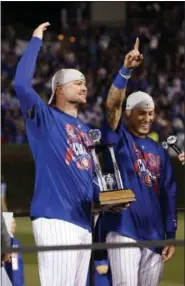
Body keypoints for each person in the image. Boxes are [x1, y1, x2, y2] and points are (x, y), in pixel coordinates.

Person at [14, 22, 98, 286]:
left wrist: (106, 200)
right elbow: (21, 85)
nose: (84, 86)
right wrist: (36, 40)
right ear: (60, 89)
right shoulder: (45, 118)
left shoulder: (85, 129)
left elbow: (89, 177)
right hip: (56, 217)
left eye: (85, 82)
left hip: (84, 222)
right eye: (78, 82)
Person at [100, 38, 178, 286]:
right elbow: (112, 105)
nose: (147, 118)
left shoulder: (159, 150)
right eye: (142, 112)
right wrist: (126, 70)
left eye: (151, 113)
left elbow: (168, 194)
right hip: (123, 227)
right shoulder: (118, 137)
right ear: (129, 113)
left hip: (155, 233)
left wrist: (170, 234)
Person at [4, 217, 25, 286]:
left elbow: (17, 268)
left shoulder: (16, 242)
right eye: (11, 223)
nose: (14, 225)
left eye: (14, 223)